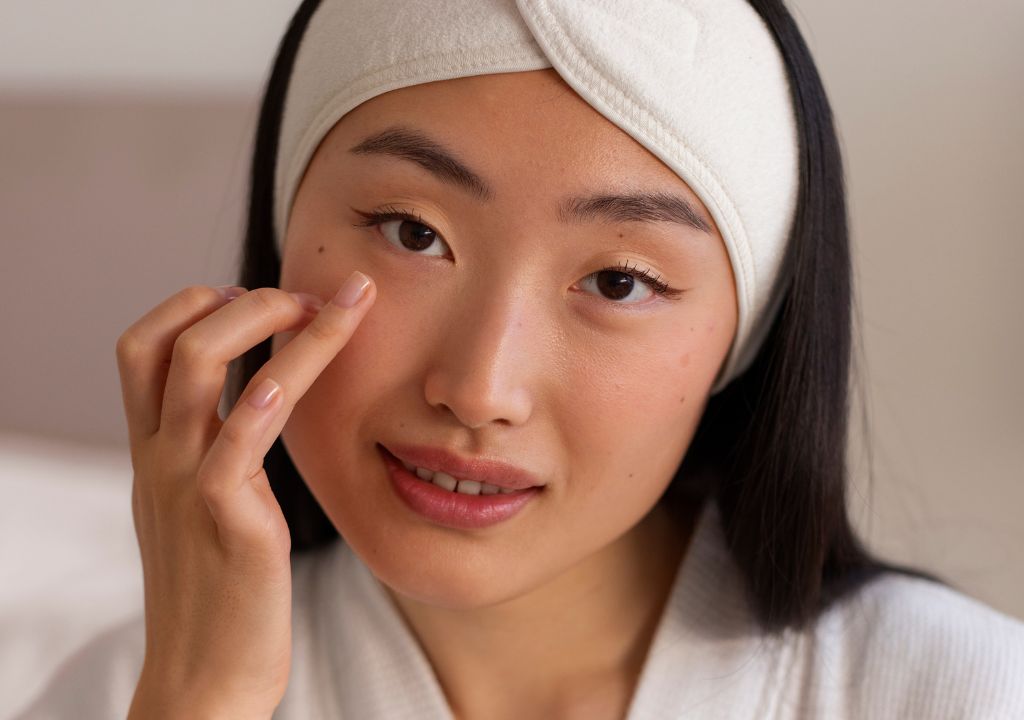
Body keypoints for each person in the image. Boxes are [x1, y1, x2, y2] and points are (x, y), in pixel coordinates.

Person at [14, 0, 1024, 718]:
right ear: (282, 236)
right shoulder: (131, 696)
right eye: (412, 233)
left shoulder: (961, 693)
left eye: (619, 282)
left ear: (742, 337)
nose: (478, 391)